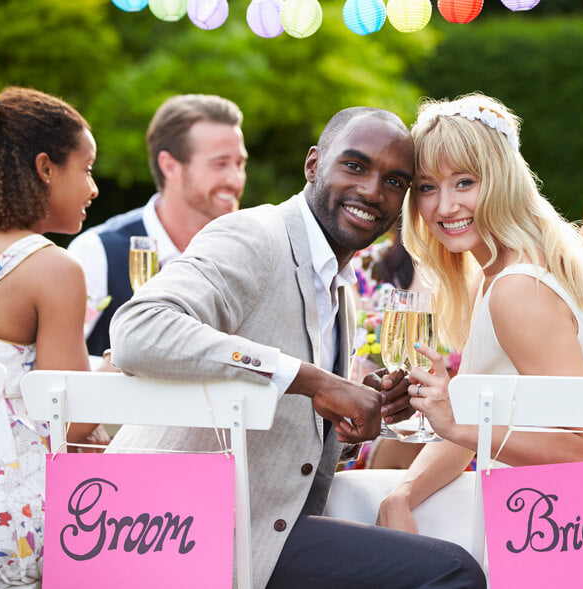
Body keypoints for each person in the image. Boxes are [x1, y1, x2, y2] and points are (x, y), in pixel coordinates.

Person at [107, 106, 486, 588]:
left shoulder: (338, 282)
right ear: (313, 165)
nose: (372, 191)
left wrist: (343, 419)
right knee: (451, 572)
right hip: (168, 529)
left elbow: (283, 423)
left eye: (394, 181)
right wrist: (313, 381)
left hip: (259, 530)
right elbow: (139, 329)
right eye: (354, 166)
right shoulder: (254, 236)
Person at [377, 94, 583, 532]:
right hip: (555, 516)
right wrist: (400, 498)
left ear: (503, 180)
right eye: (426, 187)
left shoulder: (517, 289)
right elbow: (472, 430)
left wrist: (458, 425)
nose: (444, 206)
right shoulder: (497, 274)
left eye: (464, 182)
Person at [0, 75, 109, 585]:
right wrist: (108, 371)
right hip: (6, 525)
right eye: (86, 169)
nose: (94, 187)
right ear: (46, 168)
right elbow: (68, 420)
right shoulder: (50, 268)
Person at [68, 93, 247, 356]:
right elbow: (58, 372)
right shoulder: (97, 253)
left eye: (240, 163)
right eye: (220, 164)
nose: (236, 179)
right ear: (170, 166)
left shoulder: (246, 253)